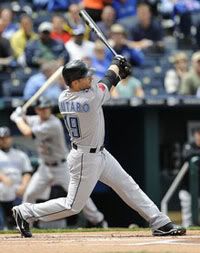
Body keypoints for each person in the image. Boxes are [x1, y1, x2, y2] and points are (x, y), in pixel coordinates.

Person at [10, 56, 186, 238]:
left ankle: (159, 222)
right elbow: (107, 81)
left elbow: (108, 82)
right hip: (85, 158)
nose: (91, 78)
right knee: (73, 205)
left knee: (128, 185)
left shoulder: (64, 96)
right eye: (86, 77)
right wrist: (116, 66)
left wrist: (118, 73)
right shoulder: (87, 99)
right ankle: (26, 212)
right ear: (76, 82)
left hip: (99, 153)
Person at [10, 96, 107, 232]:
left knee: (78, 196)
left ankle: (98, 220)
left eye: (46, 108)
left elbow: (27, 132)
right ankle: (25, 221)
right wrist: (21, 114)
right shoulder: (36, 120)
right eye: (41, 109)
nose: (44, 111)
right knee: (30, 193)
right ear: (37, 110)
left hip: (62, 167)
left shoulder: (53, 124)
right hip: (45, 167)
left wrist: (17, 118)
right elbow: (27, 120)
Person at [0, 126, 32, 229]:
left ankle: (20, 225)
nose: (4, 140)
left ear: (11, 138)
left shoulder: (20, 155)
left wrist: (24, 185)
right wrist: (3, 177)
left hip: (17, 189)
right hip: (2, 187)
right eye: (1, 138)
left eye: (6, 137)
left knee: (28, 193)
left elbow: (27, 172)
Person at [179, 127, 200, 227]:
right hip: (187, 188)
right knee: (187, 219)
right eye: (198, 134)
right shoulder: (188, 145)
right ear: (195, 135)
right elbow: (187, 155)